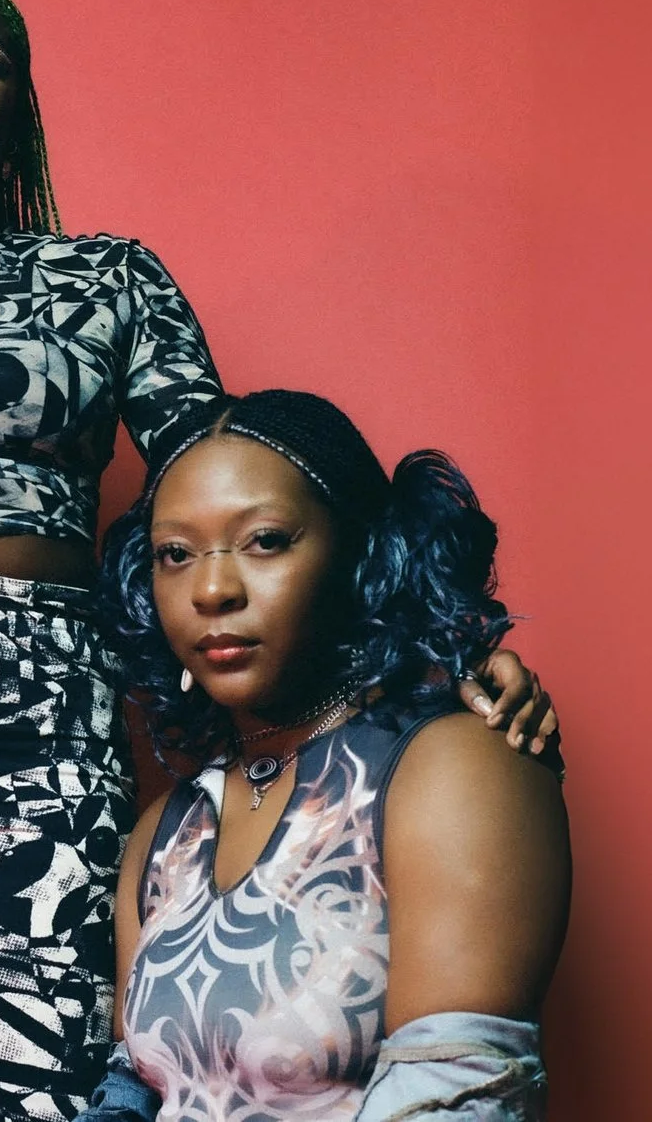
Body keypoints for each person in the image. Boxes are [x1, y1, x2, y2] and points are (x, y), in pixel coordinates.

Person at [0, 0, 563, 1122]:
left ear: (19, 101)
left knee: (42, 1082)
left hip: (41, 700)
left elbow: (237, 488)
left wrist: (444, 635)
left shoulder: (108, 281)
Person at [78, 389, 570, 1121]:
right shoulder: (163, 833)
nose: (212, 588)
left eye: (266, 539)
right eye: (174, 553)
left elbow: (451, 1100)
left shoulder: (458, 766)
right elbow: (131, 1095)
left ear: (360, 552)